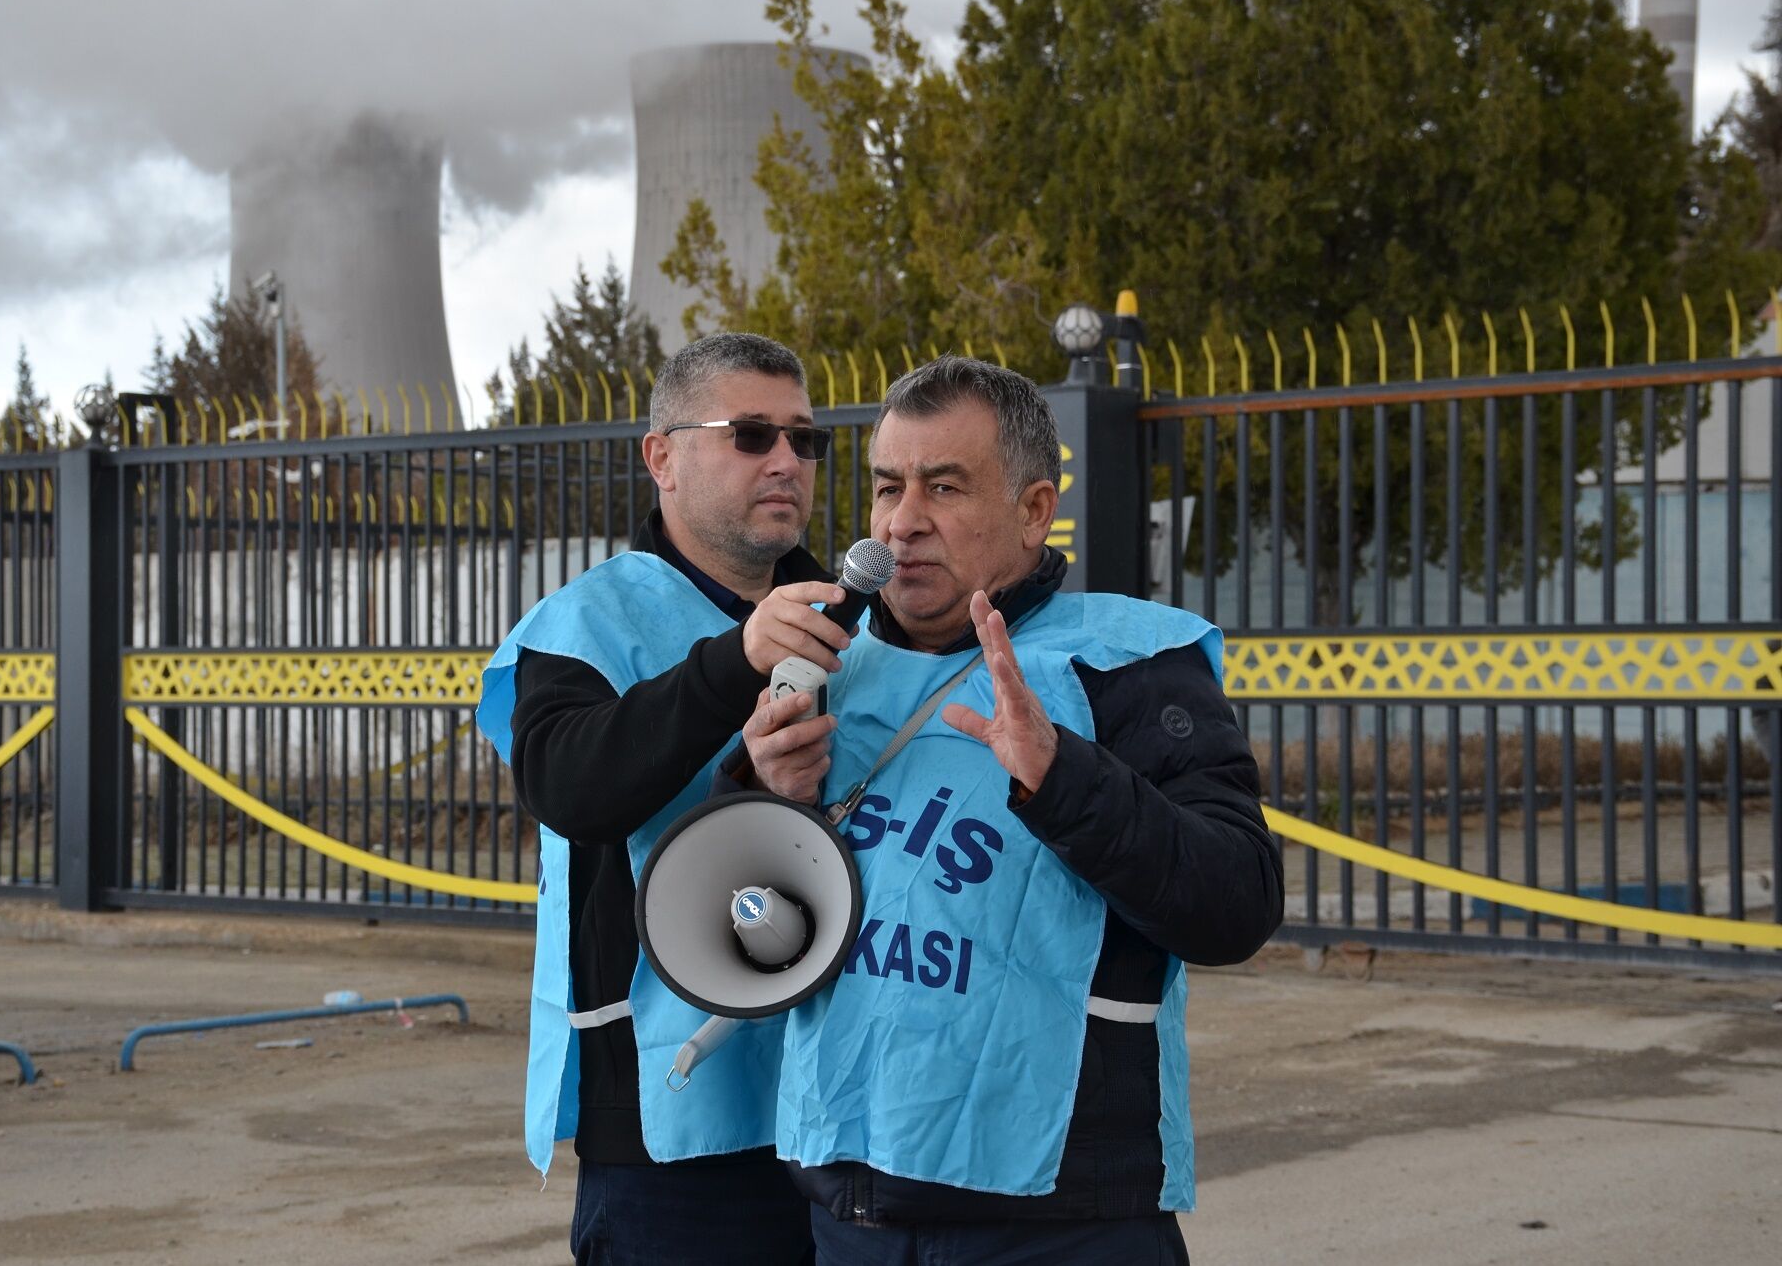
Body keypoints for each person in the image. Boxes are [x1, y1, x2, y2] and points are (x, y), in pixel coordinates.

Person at [738, 356, 1282, 1264]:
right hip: (848, 1208)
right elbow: (742, 925)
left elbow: (1237, 903)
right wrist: (759, 797)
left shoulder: (1127, 663)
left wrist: (1063, 775)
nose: (903, 523)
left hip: (1060, 1219)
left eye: (944, 487)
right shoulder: (826, 667)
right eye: (886, 488)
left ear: (1035, 511)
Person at [476, 332, 854, 1266]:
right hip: (674, 1124)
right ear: (662, 458)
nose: (786, 462)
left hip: (853, 1101)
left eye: (805, 441)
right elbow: (570, 786)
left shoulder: (859, 621)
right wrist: (737, 663)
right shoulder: (585, 623)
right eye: (751, 434)